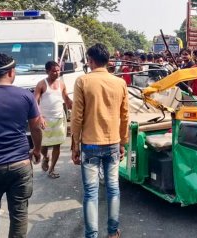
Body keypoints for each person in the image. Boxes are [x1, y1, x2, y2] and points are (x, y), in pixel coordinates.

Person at [0, 53, 42, 237]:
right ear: (11, 71)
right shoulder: (25, 96)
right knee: (19, 214)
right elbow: (36, 127)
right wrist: (37, 149)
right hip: (20, 165)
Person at [71, 43, 129, 238]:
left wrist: (74, 145)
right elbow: (125, 116)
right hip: (113, 143)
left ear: (91, 60)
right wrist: (123, 142)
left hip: (90, 143)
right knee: (113, 189)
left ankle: (92, 235)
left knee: (91, 193)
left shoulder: (82, 81)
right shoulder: (119, 83)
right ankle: (113, 233)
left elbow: (77, 117)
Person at [34, 61, 72, 178]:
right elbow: (35, 102)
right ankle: (45, 157)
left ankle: (51, 169)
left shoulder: (61, 84)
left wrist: (75, 107)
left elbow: (66, 99)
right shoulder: (41, 84)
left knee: (57, 145)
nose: (57, 73)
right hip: (45, 120)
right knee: (44, 146)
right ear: (47, 71)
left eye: (58, 70)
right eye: (54, 71)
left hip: (59, 118)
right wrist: (39, 117)